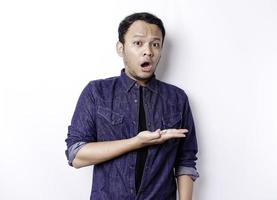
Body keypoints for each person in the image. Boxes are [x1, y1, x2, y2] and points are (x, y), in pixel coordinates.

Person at [65, 12, 199, 200]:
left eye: (155, 44)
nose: (149, 51)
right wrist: (136, 142)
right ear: (121, 48)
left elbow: (185, 161)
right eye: (138, 43)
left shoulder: (177, 99)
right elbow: (76, 155)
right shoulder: (96, 92)